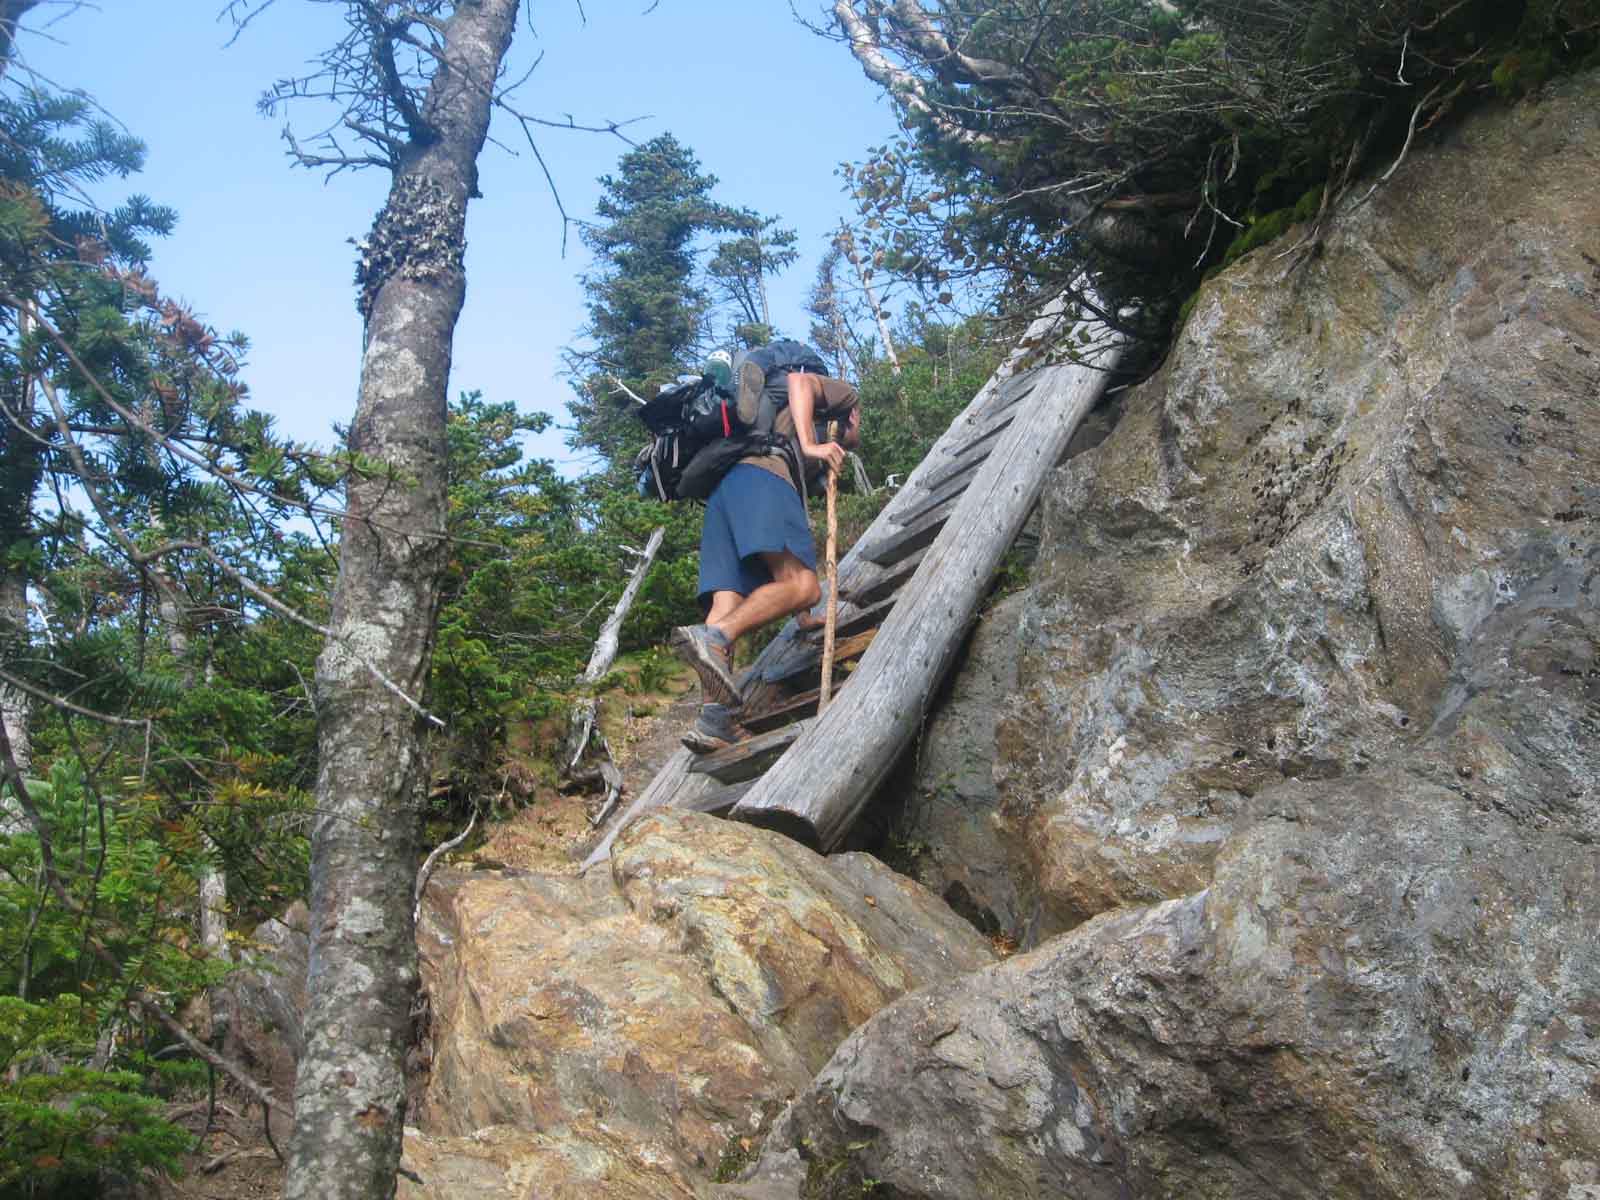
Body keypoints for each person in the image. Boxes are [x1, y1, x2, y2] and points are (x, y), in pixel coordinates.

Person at [671, 358, 861, 753]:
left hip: (725, 493)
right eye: (855, 430)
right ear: (853, 416)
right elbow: (800, 382)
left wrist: (803, 619)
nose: (852, 437)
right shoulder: (843, 399)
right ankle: (716, 637)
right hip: (760, 479)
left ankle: (715, 720)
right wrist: (812, 444)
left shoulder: (775, 426)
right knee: (805, 586)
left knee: (727, 602)